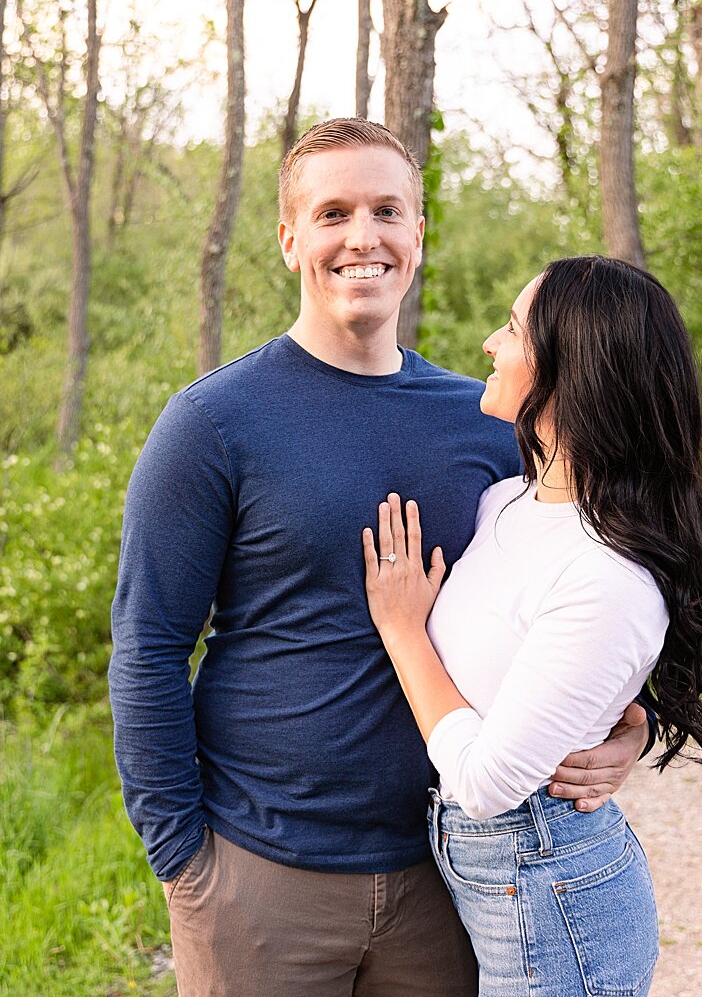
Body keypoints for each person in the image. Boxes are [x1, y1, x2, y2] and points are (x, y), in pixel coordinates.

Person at [109, 119, 649, 997]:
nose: (362, 237)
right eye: (333, 213)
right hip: (259, 877)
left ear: (418, 234)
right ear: (292, 240)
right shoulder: (212, 425)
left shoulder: (482, 422)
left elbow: (582, 587)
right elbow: (148, 648)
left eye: (386, 210)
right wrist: (183, 863)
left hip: (452, 879)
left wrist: (630, 725)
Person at [361, 255, 702, 997]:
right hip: (502, 884)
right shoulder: (506, 501)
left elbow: (487, 781)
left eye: (511, 329)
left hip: (556, 895)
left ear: (572, 371)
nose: (488, 347)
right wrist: (628, 724)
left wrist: (402, 629)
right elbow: (540, 673)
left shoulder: (608, 573)